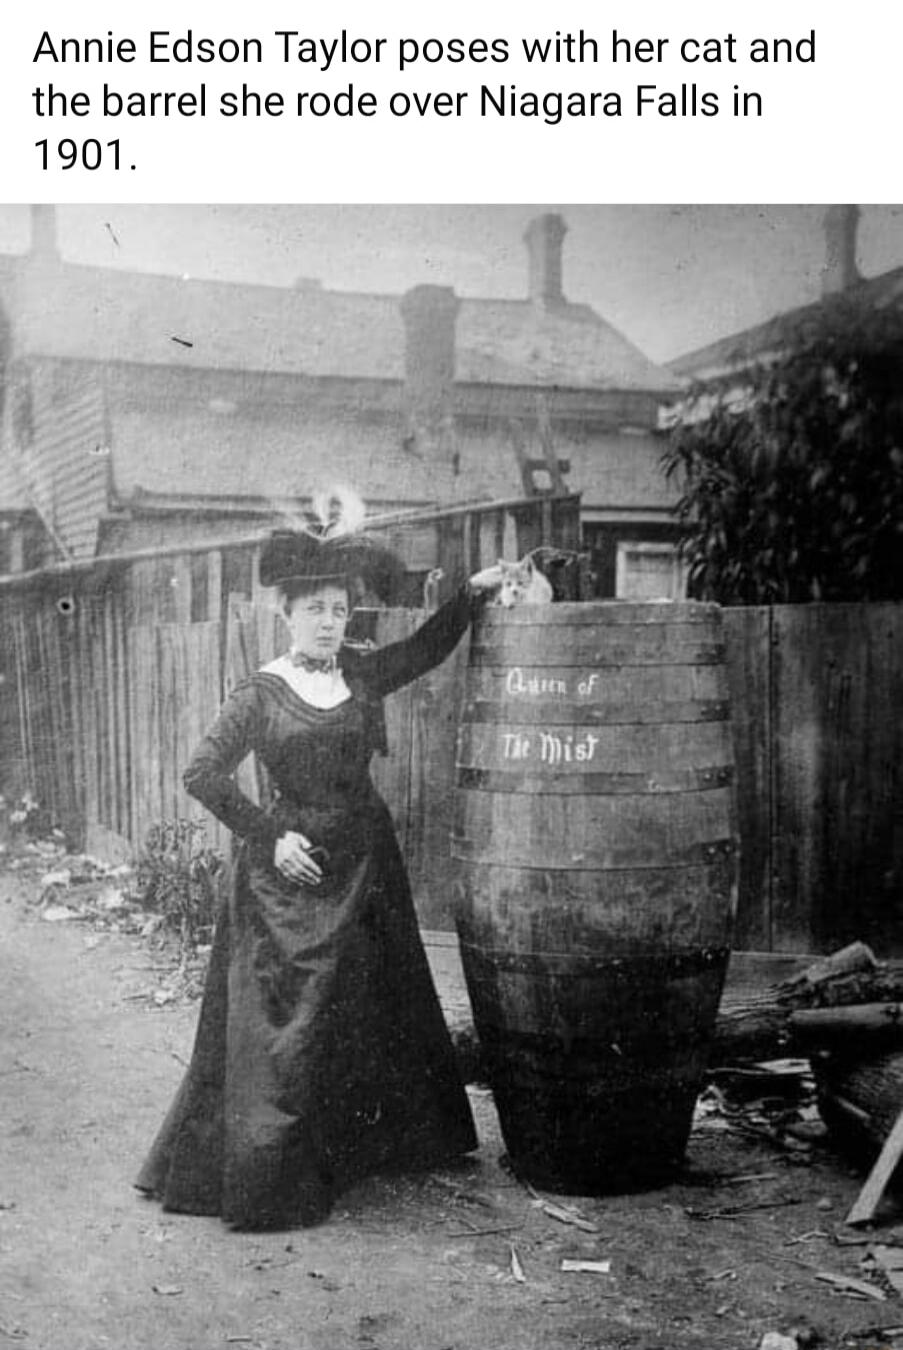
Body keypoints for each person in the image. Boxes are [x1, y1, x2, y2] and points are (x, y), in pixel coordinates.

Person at [135, 500, 503, 1229]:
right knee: (287, 1029)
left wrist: (472, 594)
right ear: (286, 616)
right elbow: (203, 774)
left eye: (339, 610)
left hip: (365, 867)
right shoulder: (260, 692)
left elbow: (428, 647)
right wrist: (269, 834)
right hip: (286, 879)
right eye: (314, 611)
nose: (329, 622)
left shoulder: (360, 677)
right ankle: (270, 1173)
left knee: (370, 1009)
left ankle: (361, 1148)